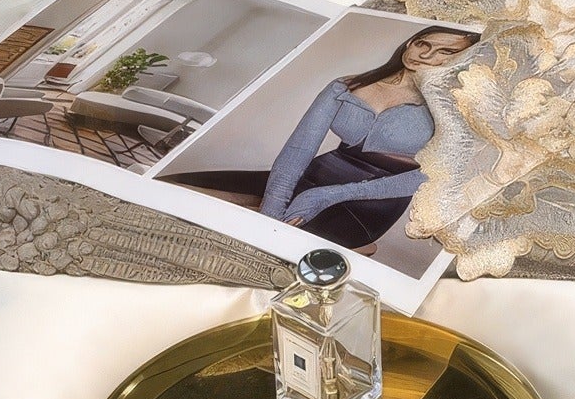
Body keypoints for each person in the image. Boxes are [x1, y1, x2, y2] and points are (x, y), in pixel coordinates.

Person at [165, 26, 477, 250]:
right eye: (424, 43)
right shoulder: (344, 86)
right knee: (171, 188)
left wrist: (326, 196)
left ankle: (355, 242)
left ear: (458, 61)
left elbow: (430, 177)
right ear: (410, 42)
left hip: (368, 204)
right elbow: (299, 149)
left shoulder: (454, 109)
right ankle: (262, 203)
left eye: (446, 52)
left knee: (267, 242)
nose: (428, 54)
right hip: (313, 175)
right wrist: (274, 202)